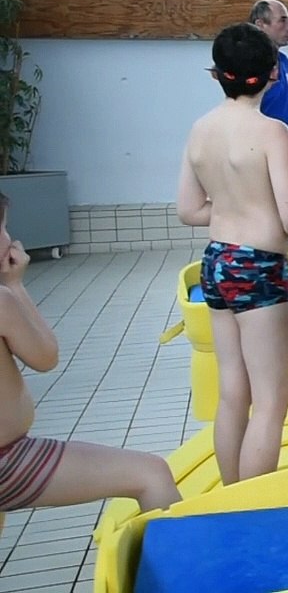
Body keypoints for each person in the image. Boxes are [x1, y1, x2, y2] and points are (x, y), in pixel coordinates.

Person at [0, 192, 180, 527]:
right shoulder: (2, 302)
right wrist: (16, 286)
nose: (9, 238)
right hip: (8, 460)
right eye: (3, 228)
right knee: (152, 474)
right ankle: (180, 561)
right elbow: (46, 356)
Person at [177, 22, 288, 485]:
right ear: (274, 73)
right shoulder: (272, 132)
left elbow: (189, 209)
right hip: (258, 268)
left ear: (216, 74)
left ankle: (231, 492)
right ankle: (254, 504)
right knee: (271, 399)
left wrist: (232, 206)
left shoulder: (200, 129)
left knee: (232, 392)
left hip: (215, 262)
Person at [250, 0, 288, 149]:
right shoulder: (249, 66)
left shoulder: (283, 61)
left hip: (285, 147)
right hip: (260, 148)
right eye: (282, 21)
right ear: (260, 25)